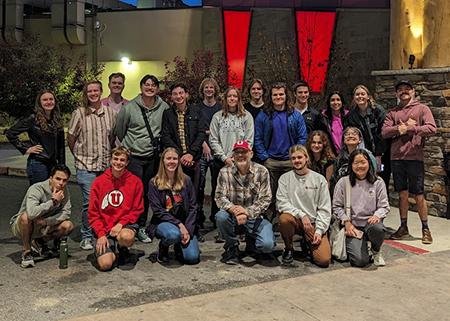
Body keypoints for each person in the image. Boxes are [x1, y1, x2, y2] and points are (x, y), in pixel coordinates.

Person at [115, 75, 170, 243]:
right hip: (134, 158)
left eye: (153, 85)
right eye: (147, 85)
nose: (150, 88)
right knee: (133, 193)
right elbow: (120, 130)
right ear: (141, 87)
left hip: (152, 157)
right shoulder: (130, 107)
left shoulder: (164, 107)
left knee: (147, 193)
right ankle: (130, 225)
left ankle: (141, 226)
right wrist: (132, 146)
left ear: (157, 89)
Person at [382, 80, 437, 244]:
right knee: (402, 194)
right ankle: (403, 226)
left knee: (419, 195)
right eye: (400, 90)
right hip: (397, 158)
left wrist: (411, 128)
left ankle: (425, 229)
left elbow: (431, 128)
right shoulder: (392, 113)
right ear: (396, 94)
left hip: (414, 158)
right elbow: (385, 132)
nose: (404, 92)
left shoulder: (422, 109)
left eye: (407, 89)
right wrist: (402, 127)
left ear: (413, 92)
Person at [68, 80, 117, 250]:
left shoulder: (111, 113)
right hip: (86, 166)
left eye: (96, 90)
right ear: (86, 94)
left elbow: (111, 139)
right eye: (90, 91)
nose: (93, 94)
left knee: (105, 202)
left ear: (101, 92)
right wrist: (78, 155)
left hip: (105, 167)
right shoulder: (79, 113)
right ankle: (86, 236)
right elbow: (71, 137)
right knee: (90, 203)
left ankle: (102, 232)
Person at [254, 82, 307, 222]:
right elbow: (257, 138)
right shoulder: (263, 115)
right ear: (270, 97)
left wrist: (296, 156)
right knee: (269, 195)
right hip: (271, 161)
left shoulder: (295, 115)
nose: (278, 97)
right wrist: (264, 157)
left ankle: (292, 224)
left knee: (292, 195)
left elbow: (302, 136)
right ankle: (268, 225)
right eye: (275, 95)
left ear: (286, 95)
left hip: (291, 162)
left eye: (281, 94)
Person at [215, 141, 275, 265]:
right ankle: (232, 247)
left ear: (251, 154)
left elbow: (266, 198)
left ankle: (252, 242)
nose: (240, 155)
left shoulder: (262, 171)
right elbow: (219, 197)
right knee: (221, 216)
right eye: (237, 152)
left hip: (255, 217)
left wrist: (247, 211)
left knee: (267, 246)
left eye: (244, 152)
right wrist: (234, 210)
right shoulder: (224, 172)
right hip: (232, 217)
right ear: (233, 156)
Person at [88, 147, 143, 271]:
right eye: (115, 159)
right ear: (110, 160)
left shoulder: (135, 182)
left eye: (122, 160)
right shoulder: (98, 182)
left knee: (127, 237)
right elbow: (93, 213)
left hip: (123, 226)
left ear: (127, 162)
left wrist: (121, 224)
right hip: (104, 227)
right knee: (105, 265)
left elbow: (137, 209)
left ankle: (123, 248)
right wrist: (101, 234)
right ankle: (109, 247)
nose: (118, 162)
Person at [332, 149, 390, 267]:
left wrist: (376, 215)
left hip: (371, 224)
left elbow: (384, 206)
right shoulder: (344, 182)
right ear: (351, 165)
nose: (360, 166)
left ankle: (376, 251)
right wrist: (346, 221)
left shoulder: (378, 182)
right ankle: (361, 248)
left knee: (378, 229)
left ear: (369, 163)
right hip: (353, 226)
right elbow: (337, 206)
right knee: (359, 261)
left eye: (363, 162)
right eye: (356, 163)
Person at [277, 145, 331, 267]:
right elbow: (281, 203)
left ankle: (307, 243)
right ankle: (289, 248)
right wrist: (302, 215)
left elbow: (325, 208)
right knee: (284, 219)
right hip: (296, 220)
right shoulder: (284, 179)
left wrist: (319, 230)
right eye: (293, 158)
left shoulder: (319, 179)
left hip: (313, 224)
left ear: (306, 158)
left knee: (323, 261)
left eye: (300, 157)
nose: (297, 161)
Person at [9, 164, 73, 268]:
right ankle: (27, 251)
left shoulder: (64, 190)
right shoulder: (37, 189)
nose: (61, 183)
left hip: (42, 223)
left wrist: (47, 221)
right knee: (25, 216)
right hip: (22, 225)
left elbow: (66, 212)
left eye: (64, 180)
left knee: (68, 226)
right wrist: (52, 202)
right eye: (58, 179)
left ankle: (39, 243)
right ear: (51, 178)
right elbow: (31, 213)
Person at [147, 148, 200, 265]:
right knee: (172, 234)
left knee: (192, 258)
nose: (172, 162)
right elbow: (158, 211)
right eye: (168, 158)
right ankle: (164, 247)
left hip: (185, 224)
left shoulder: (186, 180)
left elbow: (193, 207)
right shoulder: (154, 183)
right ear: (163, 161)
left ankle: (178, 245)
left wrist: (188, 230)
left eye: (175, 159)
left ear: (179, 161)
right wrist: (180, 225)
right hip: (164, 223)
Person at [209, 87, 254, 224]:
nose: (232, 99)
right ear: (225, 99)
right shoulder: (218, 117)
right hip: (221, 161)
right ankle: (220, 224)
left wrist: (240, 157)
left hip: (241, 162)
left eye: (235, 96)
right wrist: (224, 158)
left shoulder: (246, 116)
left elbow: (249, 139)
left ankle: (243, 223)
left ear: (239, 99)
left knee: (242, 192)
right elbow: (213, 139)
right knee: (220, 193)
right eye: (229, 96)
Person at [6, 90, 65, 185]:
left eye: (51, 99)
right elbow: (11, 133)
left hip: (53, 164)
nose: (49, 102)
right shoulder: (32, 119)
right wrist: (25, 149)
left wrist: (62, 166)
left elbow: (61, 146)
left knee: (51, 194)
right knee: (39, 195)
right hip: (38, 164)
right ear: (39, 103)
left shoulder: (57, 120)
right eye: (45, 100)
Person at [161, 82, 206, 198]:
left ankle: (195, 216)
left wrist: (190, 154)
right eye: (175, 94)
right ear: (171, 97)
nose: (178, 96)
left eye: (181, 93)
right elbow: (166, 137)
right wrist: (181, 156)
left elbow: (201, 133)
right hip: (176, 161)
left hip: (194, 159)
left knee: (195, 193)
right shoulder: (167, 114)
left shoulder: (196, 111)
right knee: (177, 194)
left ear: (186, 94)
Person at [196, 78, 222, 226]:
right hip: (202, 150)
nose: (209, 90)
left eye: (211, 87)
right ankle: (199, 217)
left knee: (217, 185)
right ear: (203, 89)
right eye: (206, 87)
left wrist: (210, 133)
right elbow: (197, 130)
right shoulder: (197, 108)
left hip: (217, 150)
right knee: (200, 185)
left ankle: (215, 216)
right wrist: (204, 142)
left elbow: (221, 130)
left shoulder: (220, 108)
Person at [344, 85, 387, 170]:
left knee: (381, 176)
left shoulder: (378, 110)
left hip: (381, 153)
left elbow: (383, 133)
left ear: (368, 96)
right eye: (357, 94)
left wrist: (378, 154)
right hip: (363, 154)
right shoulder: (352, 115)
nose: (360, 96)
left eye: (362, 94)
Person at [330, 127, 378, 195]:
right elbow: (335, 179)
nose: (350, 136)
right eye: (347, 134)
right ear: (343, 140)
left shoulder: (368, 156)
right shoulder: (339, 160)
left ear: (360, 140)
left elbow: (373, 177)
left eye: (354, 134)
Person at [101, 72, 127, 147]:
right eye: (114, 83)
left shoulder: (129, 106)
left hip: (123, 149)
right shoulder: (100, 105)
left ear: (123, 86)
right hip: (104, 148)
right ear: (109, 85)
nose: (117, 85)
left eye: (119, 83)